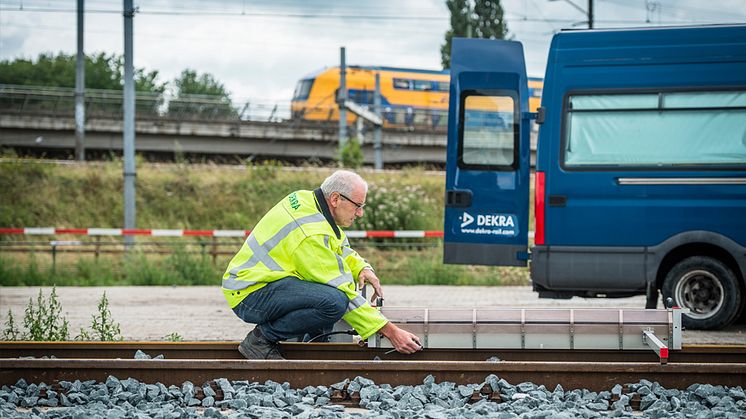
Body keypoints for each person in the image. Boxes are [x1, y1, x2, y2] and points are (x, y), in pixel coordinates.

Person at [221, 169, 422, 359]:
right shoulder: (310, 234)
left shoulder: (305, 200)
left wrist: (361, 266)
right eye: (357, 206)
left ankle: (307, 342)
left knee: (326, 295)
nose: (360, 213)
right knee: (334, 302)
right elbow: (343, 290)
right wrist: (391, 332)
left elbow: (336, 245)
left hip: (256, 282)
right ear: (335, 199)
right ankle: (260, 340)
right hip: (250, 295)